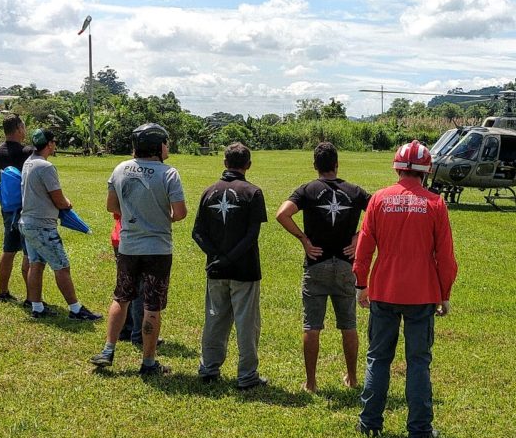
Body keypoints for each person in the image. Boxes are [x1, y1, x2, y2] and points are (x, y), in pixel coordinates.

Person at [353, 140, 458, 438]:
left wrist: (361, 283)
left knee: (377, 359)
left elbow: (364, 247)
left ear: (397, 167)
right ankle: (420, 430)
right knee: (418, 362)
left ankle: (370, 423)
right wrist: (444, 293)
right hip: (422, 294)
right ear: (427, 170)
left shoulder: (379, 200)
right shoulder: (436, 204)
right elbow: (446, 257)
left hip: (384, 290)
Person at [90, 123, 186, 375]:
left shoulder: (120, 168)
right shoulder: (169, 174)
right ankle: (148, 362)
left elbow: (112, 206)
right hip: (157, 249)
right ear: (157, 146)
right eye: (165, 142)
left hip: (128, 246)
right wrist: (162, 217)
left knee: (121, 296)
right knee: (152, 305)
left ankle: (108, 349)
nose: (168, 147)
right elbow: (180, 213)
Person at [276, 141, 370, 393]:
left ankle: (311, 382)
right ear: (337, 164)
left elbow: (282, 214)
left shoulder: (307, 190)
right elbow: (377, 214)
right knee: (348, 324)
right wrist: (358, 237)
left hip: (316, 264)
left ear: (315, 165)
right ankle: (352, 378)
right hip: (345, 265)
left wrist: (304, 240)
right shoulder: (354, 191)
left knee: (312, 325)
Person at [192, 142, 268, 389]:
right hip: (245, 269)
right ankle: (247, 375)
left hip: (215, 269)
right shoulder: (253, 193)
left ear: (225, 163)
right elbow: (251, 235)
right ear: (248, 165)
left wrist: (217, 257)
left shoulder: (208, 192)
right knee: (247, 323)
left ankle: (209, 367)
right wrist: (230, 258)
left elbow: (197, 233)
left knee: (214, 319)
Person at [19, 129, 102, 321]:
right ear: (48, 144)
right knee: (62, 266)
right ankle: (75, 309)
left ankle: (37, 307)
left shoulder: (28, 163)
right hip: (42, 226)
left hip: (28, 223)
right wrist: (68, 203)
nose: (55, 145)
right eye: (54, 142)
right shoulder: (45, 167)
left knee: (36, 264)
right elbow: (59, 200)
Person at [0, 114, 31, 304]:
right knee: (28, 253)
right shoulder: (26, 152)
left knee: (8, 249)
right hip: (25, 208)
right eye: (23, 126)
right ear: (18, 129)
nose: (25, 130)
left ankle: (3, 292)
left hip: (8, 207)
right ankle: (32, 297)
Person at [111, 213, 163, 348]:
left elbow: (114, 209)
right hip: (138, 239)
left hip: (121, 236)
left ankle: (125, 329)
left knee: (126, 288)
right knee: (140, 290)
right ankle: (139, 334)